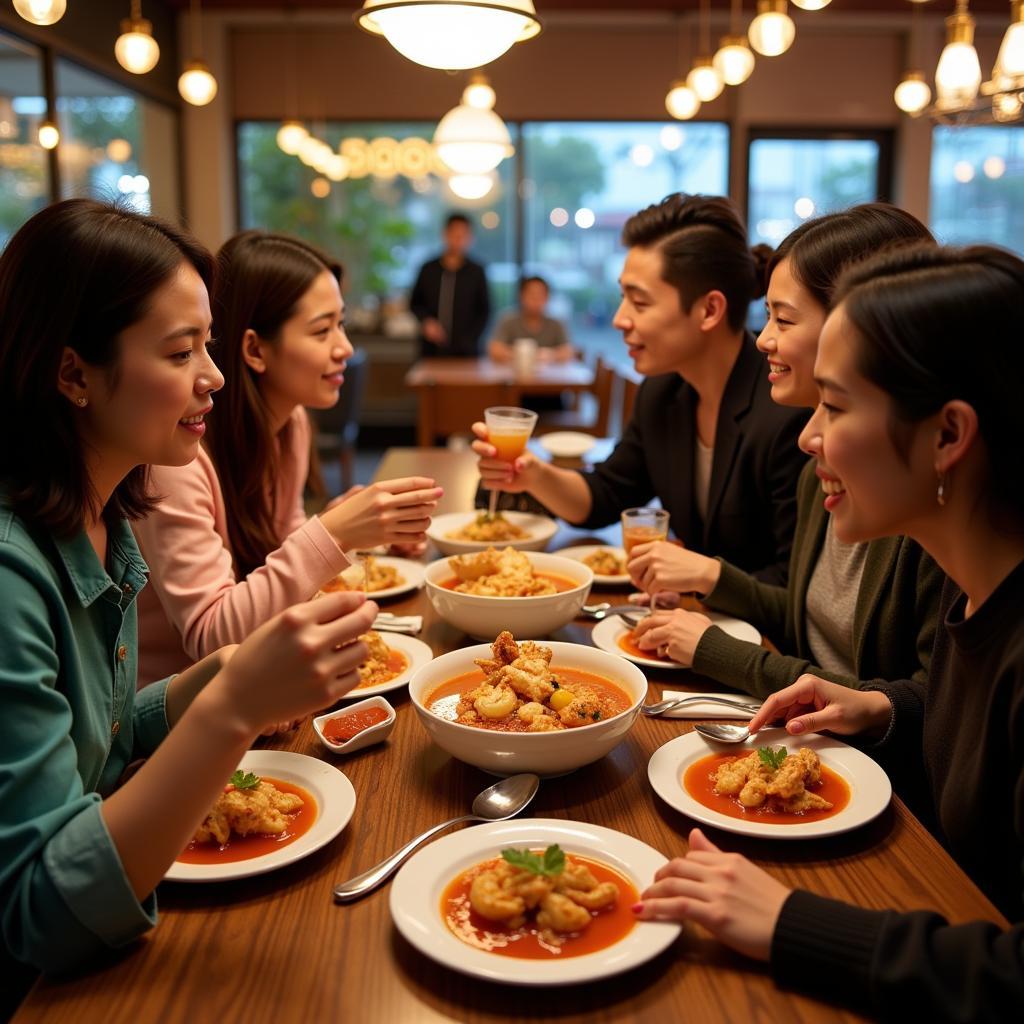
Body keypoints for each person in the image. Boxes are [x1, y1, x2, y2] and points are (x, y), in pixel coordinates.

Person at [634, 244, 1024, 1020]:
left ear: (949, 435)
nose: (809, 437)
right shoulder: (973, 594)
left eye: (836, 407)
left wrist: (789, 923)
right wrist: (882, 708)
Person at [0, 200, 377, 976]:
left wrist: (232, 674)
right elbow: (41, 915)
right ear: (73, 372)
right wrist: (235, 704)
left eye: (208, 345)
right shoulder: (11, 573)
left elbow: (102, 741)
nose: (214, 377)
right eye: (180, 354)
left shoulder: (106, 511)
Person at [629, 204, 943, 699]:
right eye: (768, 315)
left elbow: (928, 708)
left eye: (785, 319)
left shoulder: (928, 501)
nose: (764, 339)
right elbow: (805, 617)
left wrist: (720, 650)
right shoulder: (821, 467)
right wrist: (713, 580)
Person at [134, 230, 442, 684]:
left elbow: (276, 547)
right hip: (178, 711)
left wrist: (358, 531)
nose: (346, 348)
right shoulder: (176, 458)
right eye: (322, 330)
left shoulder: (289, 423)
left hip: (262, 680)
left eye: (342, 323)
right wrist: (332, 532)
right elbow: (211, 636)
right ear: (255, 349)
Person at [474, 193, 809, 584]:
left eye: (640, 302)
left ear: (710, 310)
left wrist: (706, 578)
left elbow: (795, 581)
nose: (619, 320)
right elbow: (606, 495)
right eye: (623, 298)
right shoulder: (663, 393)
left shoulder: (785, 410)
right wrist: (531, 474)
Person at [409, 212, 491, 358]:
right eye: (454, 233)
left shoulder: (477, 271)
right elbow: (415, 303)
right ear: (445, 234)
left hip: (467, 353)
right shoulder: (428, 269)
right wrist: (426, 322)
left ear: (470, 238)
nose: (458, 239)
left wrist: (470, 339)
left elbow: (485, 311)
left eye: (463, 235)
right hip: (431, 350)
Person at [488, 275, 575, 364]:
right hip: (513, 376)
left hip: (550, 376)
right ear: (521, 295)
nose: (535, 299)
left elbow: (568, 351)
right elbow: (494, 349)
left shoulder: (556, 323)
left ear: (547, 297)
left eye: (540, 294)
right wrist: (524, 355)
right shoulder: (508, 320)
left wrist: (548, 355)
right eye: (531, 294)